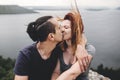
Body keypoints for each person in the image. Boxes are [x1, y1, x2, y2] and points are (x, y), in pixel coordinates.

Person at [14, 15, 90, 80]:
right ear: (51, 36)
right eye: (59, 28)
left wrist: (81, 46)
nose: (62, 30)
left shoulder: (58, 47)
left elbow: (80, 35)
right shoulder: (26, 56)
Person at [51, 10, 95, 80]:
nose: (62, 30)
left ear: (75, 30)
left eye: (66, 27)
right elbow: (56, 72)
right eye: (60, 27)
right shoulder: (60, 47)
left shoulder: (88, 49)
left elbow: (72, 74)